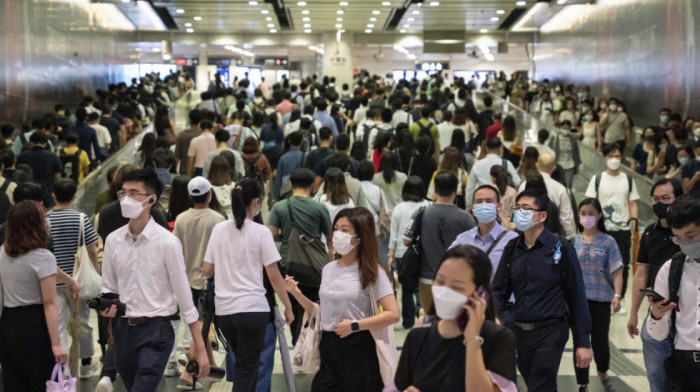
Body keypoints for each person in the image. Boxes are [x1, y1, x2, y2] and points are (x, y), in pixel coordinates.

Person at [100, 169, 210, 391]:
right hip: (123, 330)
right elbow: (109, 287)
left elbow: (184, 296)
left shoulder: (167, 243)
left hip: (156, 331)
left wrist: (199, 344)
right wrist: (106, 306)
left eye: (134, 193)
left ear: (151, 200)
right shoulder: (113, 240)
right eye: (123, 193)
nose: (126, 199)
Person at [284, 207, 400, 392]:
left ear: (360, 236)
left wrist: (354, 325)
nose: (338, 234)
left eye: (345, 230)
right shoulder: (329, 269)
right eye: (336, 228)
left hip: (360, 346)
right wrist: (297, 294)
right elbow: (322, 312)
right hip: (329, 346)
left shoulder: (373, 272)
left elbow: (393, 314)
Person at [492, 190, 593, 392]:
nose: (520, 213)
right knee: (535, 385)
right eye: (517, 208)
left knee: (541, 384)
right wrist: (502, 317)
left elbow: (577, 296)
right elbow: (498, 289)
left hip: (551, 331)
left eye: (526, 209)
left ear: (543, 215)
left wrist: (583, 343)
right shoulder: (512, 248)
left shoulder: (561, 248)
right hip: (519, 332)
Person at [203, 179, 293, 391]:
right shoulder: (261, 232)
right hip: (252, 310)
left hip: (224, 312)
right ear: (257, 201)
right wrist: (288, 307)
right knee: (246, 369)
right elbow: (274, 276)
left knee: (247, 367)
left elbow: (207, 270)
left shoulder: (219, 229)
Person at [395, 245, 518, 392]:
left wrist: (472, 339)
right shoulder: (418, 336)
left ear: (480, 294)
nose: (444, 291)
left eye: (457, 287)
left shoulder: (498, 338)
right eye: (440, 281)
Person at [0, 201, 76, 391]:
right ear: (34, 224)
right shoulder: (42, 256)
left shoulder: (2, 253)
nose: (47, 221)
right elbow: (49, 303)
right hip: (35, 324)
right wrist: (57, 344)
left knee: (14, 382)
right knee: (42, 382)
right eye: (43, 218)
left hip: (8, 324)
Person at [626, 179, 682, 392]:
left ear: (679, 199)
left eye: (666, 199)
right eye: (655, 199)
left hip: (687, 313)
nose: (660, 204)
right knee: (656, 374)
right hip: (657, 310)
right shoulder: (650, 233)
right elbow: (642, 273)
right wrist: (633, 313)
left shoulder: (690, 232)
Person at [268, 168, 332, 343]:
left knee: (293, 305)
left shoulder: (279, 207)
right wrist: (331, 259)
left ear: (290, 184)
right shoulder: (319, 207)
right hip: (314, 264)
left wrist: (286, 236)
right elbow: (329, 236)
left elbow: (270, 234)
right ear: (312, 186)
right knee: (312, 304)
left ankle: (297, 342)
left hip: (287, 263)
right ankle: (310, 342)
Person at [172, 176, 224, 386]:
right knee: (201, 326)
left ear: (189, 196)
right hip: (209, 282)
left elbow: (175, 248)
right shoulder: (217, 220)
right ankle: (188, 371)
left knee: (199, 324)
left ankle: (209, 368)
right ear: (210, 194)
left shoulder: (181, 219)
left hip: (186, 280)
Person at [645, 194, 700, 390]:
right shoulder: (670, 269)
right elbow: (658, 335)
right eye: (679, 237)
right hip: (682, 366)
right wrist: (656, 316)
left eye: (691, 236)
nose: (685, 242)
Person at [47, 179, 100, 379]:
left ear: (53, 196)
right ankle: (85, 365)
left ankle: (61, 366)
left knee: (58, 323)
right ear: (75, 196)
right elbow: (92, 251)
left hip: (53, 280)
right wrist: (94, 273)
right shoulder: (81, 218)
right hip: (78, 282)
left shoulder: (46, 219)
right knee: (83, 322)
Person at [403, 170, 476, 314]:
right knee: (453, 320)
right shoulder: (466, 218)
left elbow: (406, 241)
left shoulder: (422, 212)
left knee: (430, 319)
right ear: (456, 190)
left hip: (427, 277)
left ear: (435, 189)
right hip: (457, 280)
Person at [573, 198, 623, 392]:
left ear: (599, 215)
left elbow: (617, 270)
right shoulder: (571, 240)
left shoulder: (608, 241)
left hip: (601, 300)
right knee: (580, 342)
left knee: (600, 342)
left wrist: (617, 295)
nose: (586, 217)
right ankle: (582, 383)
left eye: (591, 213)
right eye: (583, 213)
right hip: (578, 302)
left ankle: (603, 372)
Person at [585, 144, 639, 311]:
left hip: (622, 229)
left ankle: (619, 297)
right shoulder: (597, 179)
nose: (614, 159)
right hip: (602, 229)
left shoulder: (628, 180)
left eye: (617, 156)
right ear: (605, 157)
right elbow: (590, 204)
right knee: (599, 262)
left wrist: (634, 225)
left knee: (621, 264)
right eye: (611, 156)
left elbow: (632, 204)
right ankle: (602, 295)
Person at [449, 184, 519, 280]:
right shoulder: (463, 239)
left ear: (498, 207)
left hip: (500, 294)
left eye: (489, 201)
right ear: (473, 207)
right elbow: (447, 267)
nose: (484, 205)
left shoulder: (512, 239)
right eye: (479, 201)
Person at [388, 176, 430, 329]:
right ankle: (422, 316)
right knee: (421, 286)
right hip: (423, 252)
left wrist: (390, 256)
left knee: (406, 289)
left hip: (402, 253)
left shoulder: (399, 208)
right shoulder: (428, 205)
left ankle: (407, 322)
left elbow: (394, 235)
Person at [518, 153, 577, 239]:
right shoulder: (560, 188)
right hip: (551, 236)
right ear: (554, 167)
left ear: (536, 165)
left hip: (527, 234)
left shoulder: (524, 185)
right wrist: (570, 236)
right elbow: (566, 217)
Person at [464, 138, 521, 208]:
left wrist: (468, 206)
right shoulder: (506, 163)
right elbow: (517, 182)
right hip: (501, 203)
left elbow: (470, 188)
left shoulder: (477, 164)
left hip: (483, 203)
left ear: (486, 148)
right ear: (500, 149)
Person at [17, 132, 63, 208]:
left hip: (27, 193)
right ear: (45, 143)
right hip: (48, 193)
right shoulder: (53, 156)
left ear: (31, 143)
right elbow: (57, 178)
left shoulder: (22, 156)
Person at [358, 161, 389, 264]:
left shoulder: (356, 187)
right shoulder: (378, 190)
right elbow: (385, 210)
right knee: (375, 257)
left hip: (357, 227)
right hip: (374, 228)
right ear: (372, 174)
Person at [273, 131, 306, 202]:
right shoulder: (305, 156)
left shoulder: (283, 158)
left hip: (286, 191)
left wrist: (276, 196)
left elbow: (278, 178)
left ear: (289, 141)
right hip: (302, 190)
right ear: (301, 142)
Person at [549, 120, 581, 189]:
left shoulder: (573, 139)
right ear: (560, 128)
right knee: (556, 185)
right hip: (557, 165)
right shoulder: (554, 138)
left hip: (570, 166)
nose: (565, 130)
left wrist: (577, 166)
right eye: (564, 128)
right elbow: (549, 151)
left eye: (567, 129)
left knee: (568, 186)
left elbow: (576, 152)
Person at [175, 110, 202, 175]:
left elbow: (177, 156)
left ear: (190, 120)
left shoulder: (182, 135)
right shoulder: (202, 134)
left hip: (184, 170)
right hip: (200, 171)